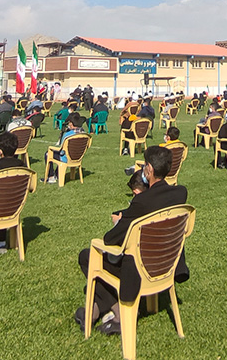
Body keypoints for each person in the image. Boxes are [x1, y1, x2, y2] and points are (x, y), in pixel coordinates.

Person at [76, 146, 188, 335]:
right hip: (166, 263)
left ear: (149, 169)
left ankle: (119, 313)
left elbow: (111, 239)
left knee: (88, 256)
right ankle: (94, 310)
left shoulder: (142, 202)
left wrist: (119, 222)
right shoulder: (180, 194)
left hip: (141, 268)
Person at [46, 115, 86, 184]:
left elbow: (61, 151)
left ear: (71, 123)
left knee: (48, 154)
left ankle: (51, 177)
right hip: (78, 157)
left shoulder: (68, 135)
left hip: (66, 158)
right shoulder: (84, 133)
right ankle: (57, 174)